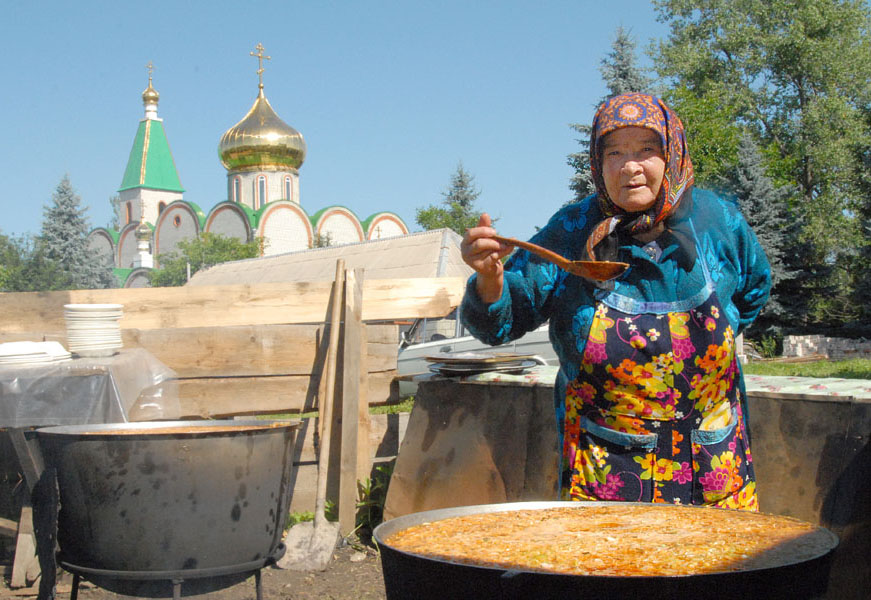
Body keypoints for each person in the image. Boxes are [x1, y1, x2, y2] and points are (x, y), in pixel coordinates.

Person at [460, 92, 771, 511]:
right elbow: (501, 323)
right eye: (614, 152)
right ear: (597, 162)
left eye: (647, 150)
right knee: (612, 572)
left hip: (714, 470)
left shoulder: (718, 223)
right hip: (605, 475)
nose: (630, 166)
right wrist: (491, 279)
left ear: (672, 153)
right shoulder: (571, 230)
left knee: (717, 573)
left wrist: (720, 334)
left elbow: (754, 290)